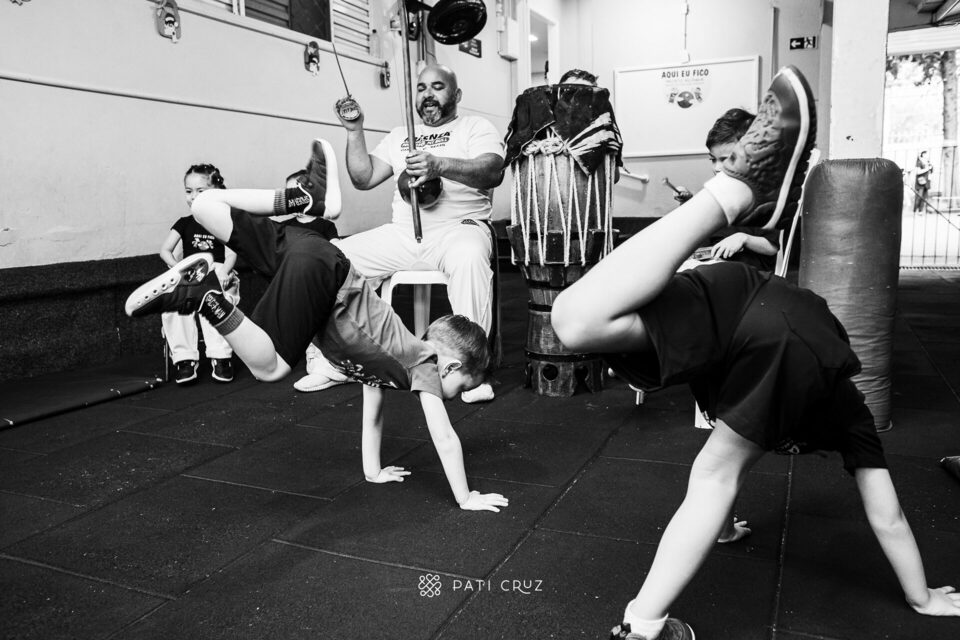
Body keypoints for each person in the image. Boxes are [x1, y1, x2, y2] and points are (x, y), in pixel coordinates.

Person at [551, 66, 960, 640]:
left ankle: (736, 191)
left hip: (744, 305)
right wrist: (922, 599)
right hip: (766, 319)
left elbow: (883, 514)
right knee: (711, 471)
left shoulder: (825, 402)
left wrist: (723, 527)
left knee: (576, 322)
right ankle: (641, 626)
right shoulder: (847, 413)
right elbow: (885, 516)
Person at [125, 140, 508, 513]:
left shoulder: (390, 366)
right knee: (270, 367)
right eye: (462, 387)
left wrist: (373, 471)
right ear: (450, 366)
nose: (455, 397)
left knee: (205, 206)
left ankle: (300, 199)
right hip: (325, 272)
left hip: (310, 248)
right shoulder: (423, 364)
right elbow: (444, 437)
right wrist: (466, 497)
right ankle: (207, 297)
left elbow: (373, 416)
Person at [295, 63, 503, 404]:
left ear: (457, 94)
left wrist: (439, 165)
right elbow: (363, 178)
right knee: (331, 257)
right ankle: (331, 362)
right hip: (403, 234)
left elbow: (493, 170)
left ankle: (471, 372)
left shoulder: (474, 127)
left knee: (469, 256)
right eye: (421, 88)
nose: (428, 94)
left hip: (458, 228)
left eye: (437, 86)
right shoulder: (399, 135)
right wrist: (354, 131)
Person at [160, 164, 240, 385]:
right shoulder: (184, 223)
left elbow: (231, 253)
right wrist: (178, 268)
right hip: (191, 273)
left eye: (200, 191)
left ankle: (221, 357)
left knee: (215, 298)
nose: (193, 196)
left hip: (217, 271)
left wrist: (224, 271)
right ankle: (184, 359)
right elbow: (165, 251)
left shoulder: (222, 222)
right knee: (174, 303)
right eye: (189, 191)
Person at [271, 166, 347, 393]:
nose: (293, 199)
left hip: (319, 281)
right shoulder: (285, 226)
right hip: (293, 280)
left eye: (298, 193)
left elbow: (337, 250)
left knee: (321, 318)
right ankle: (300, 355)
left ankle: (320, 357)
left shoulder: (325, 225)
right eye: (289, 194)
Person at [675, 108, 780, 272]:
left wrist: (743, 238)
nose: (716, 168)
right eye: (713, 159)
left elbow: (772, 247)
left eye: (726, 159)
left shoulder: (767, 198)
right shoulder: (721, 190)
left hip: (746, 271)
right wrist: (688, 202)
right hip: (709, 262)